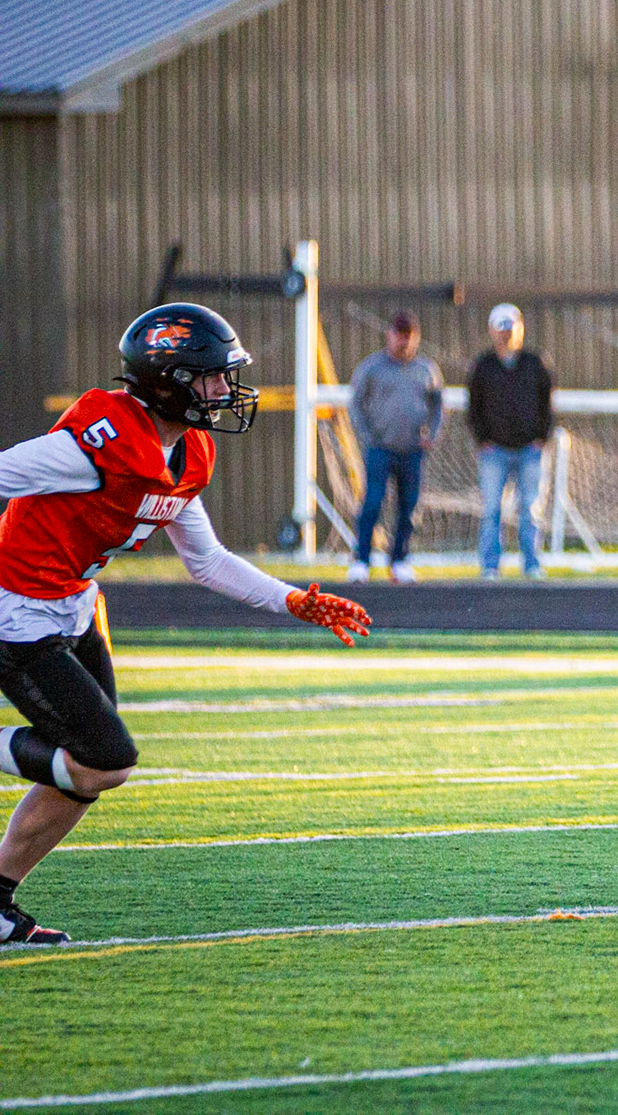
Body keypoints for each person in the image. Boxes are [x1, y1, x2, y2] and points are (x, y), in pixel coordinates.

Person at [0, 304, 370, 944]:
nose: (225, 388)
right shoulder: (101, 440)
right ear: (169, 381)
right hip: (17, 606)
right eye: (212, 376)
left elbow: (208, 561)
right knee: (105, 760)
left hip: (76, 603)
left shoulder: (187, 451)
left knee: (89, 770)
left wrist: (290, 601)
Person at [347, 311, 443, 584]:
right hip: (380, 448)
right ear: (389, 335)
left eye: (409, 336)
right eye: (400, 335)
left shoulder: (426, 369)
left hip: (412, 449)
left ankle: (399, 559)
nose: (404, 341)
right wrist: (368, 436)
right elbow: (356, 404)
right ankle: (361, 560)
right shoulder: (372, 368)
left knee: (409, 506)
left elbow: (438, 405)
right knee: (373, 502)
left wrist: (432, 434)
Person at [468, 303, 553, 580]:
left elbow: (547, 403)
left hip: (529, 449)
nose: (506, 334)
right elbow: (474, 406)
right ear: (492, 331)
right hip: (495, 451)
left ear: (521, 329)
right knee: (492, 509)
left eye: (510, 328)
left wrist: (542, 437)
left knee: (530, 509)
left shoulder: (535, 363)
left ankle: (532, 564)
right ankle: (490, 566)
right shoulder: (483, 366)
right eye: (501, 329)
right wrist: (483, 439)